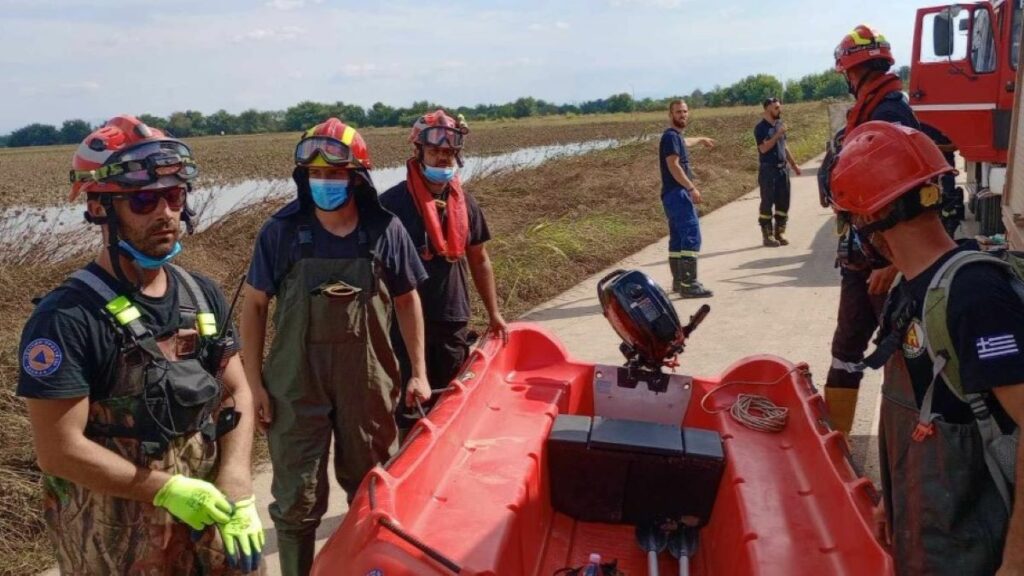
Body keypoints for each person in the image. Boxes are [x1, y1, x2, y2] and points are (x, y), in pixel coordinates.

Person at [17, 115, 263, 574]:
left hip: (208, 525)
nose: (165, 212)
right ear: (99, 208)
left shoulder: (200, 295)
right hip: (115, 541)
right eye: (145, 200)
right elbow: (58, 449)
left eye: (174, 196)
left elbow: (236, 392)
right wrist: (166, 490)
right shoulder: (66, 319)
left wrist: (237, 478)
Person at [830, 120, 1023, 576]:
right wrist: (893, 508)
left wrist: (1016, 562)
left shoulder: (973, 297)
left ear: (869, 219)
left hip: (981, 554)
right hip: (929, 542)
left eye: (850, 217)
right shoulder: (906, 289)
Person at [240, 118, 429, 576]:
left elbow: (408, 301)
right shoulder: (280, 232)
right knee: (295, 502)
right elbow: (254, 307)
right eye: (315, 175)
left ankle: (367, 566)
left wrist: (419, 371)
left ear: (357, 177)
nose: (324, 182)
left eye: (335, 173)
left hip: (367, 383)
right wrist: (253, 386)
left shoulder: (386, 231)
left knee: (370, 490)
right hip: (294, 385)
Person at [379, 109, 508, 429]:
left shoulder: (467, 205)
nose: (442, 159)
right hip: (403, 325)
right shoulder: (390, 206)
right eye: (435, 151)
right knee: (410, 406)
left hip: (452, 318)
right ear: (418, 151)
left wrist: (493, 312)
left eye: (449, 153)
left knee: (451, 401)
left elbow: (479, 259)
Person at [822, 24, 919, 435]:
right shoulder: (869, 112)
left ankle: (916, 451)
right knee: (846, 350)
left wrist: (896, 264)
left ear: (852, 71)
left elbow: (918, 196)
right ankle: (835, 445)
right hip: (861, 262)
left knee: (906, 360)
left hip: (886, 267)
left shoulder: (890, 114)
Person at [660, 99, 716, 298]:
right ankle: (689, 284)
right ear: (670, 115)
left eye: (684, 111)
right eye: (678, 112)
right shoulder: (670, 137)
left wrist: (700, 139)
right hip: (678, 193)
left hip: (671, 195)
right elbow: (673, 165)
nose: (682, 115)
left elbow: (685, 142)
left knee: (678, 239)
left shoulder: (674, 137)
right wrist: (691, 188)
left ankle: (679, 282)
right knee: (692, 235)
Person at [754, 97, 802, 247]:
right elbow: (763, 148)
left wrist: (794, 165)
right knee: (767, 203)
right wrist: (776, 135)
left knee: (783, 202)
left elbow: (784, 146)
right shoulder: (760, 128)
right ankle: (767, 236)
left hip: (782, 169)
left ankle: (779, 233)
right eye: (776, 108)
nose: (779, 110)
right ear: (767, 109)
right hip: (768, 170)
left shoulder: (779, 124)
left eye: (779, 107)